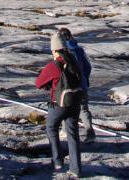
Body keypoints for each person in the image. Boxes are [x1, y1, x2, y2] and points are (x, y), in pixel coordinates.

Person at [35, 32, 82, 178]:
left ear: (55, 50)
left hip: (59, 104)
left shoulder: (54, 65)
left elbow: (38, 83)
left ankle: (57, 161)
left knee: (51, 127)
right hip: (75, 103)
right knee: (73, 135)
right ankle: (76, 169)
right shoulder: (74, 61)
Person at [59, 28, 96, 143]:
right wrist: (85, 79)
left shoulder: (61, 52)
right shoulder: (79, 50)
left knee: (65, 107)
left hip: (68, 86)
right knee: (83, 108)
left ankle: (65, 131)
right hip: (82, 84)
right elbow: (88, 67)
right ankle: (90, 132)